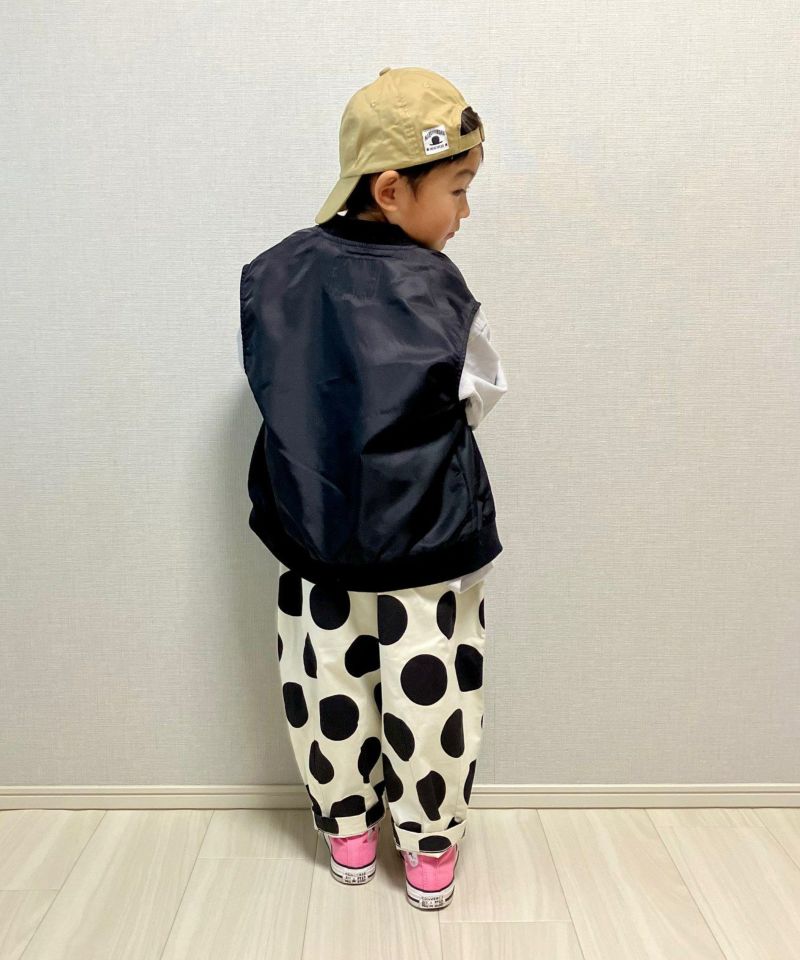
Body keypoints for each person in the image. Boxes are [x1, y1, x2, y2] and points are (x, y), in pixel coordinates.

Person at [239, 67, 508, 910]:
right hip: (427, 539)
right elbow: (481, 394)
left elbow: (274, 384)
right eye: (458, 189)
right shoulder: (442, 290)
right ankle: (427, 852)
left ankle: (348, 833)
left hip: (310, 531)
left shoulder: (270, 273)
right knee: (432, 693)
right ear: (392, 189)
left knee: (326, 681)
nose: (464, 212)